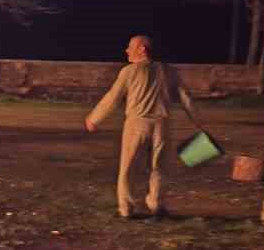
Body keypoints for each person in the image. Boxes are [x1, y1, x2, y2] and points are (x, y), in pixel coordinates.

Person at [84, 35, 201, 219]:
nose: (127, 50)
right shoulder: (169, 71)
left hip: (137, 124)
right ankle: (156, 203)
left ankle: (126, 208)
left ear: (142, 49)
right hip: (162, 125)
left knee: (128, 168)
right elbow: (185, 97)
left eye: (131, 46)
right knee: (158, 168)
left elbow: (113, 97)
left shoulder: (129, 72)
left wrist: (94, 118)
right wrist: (198, 121)